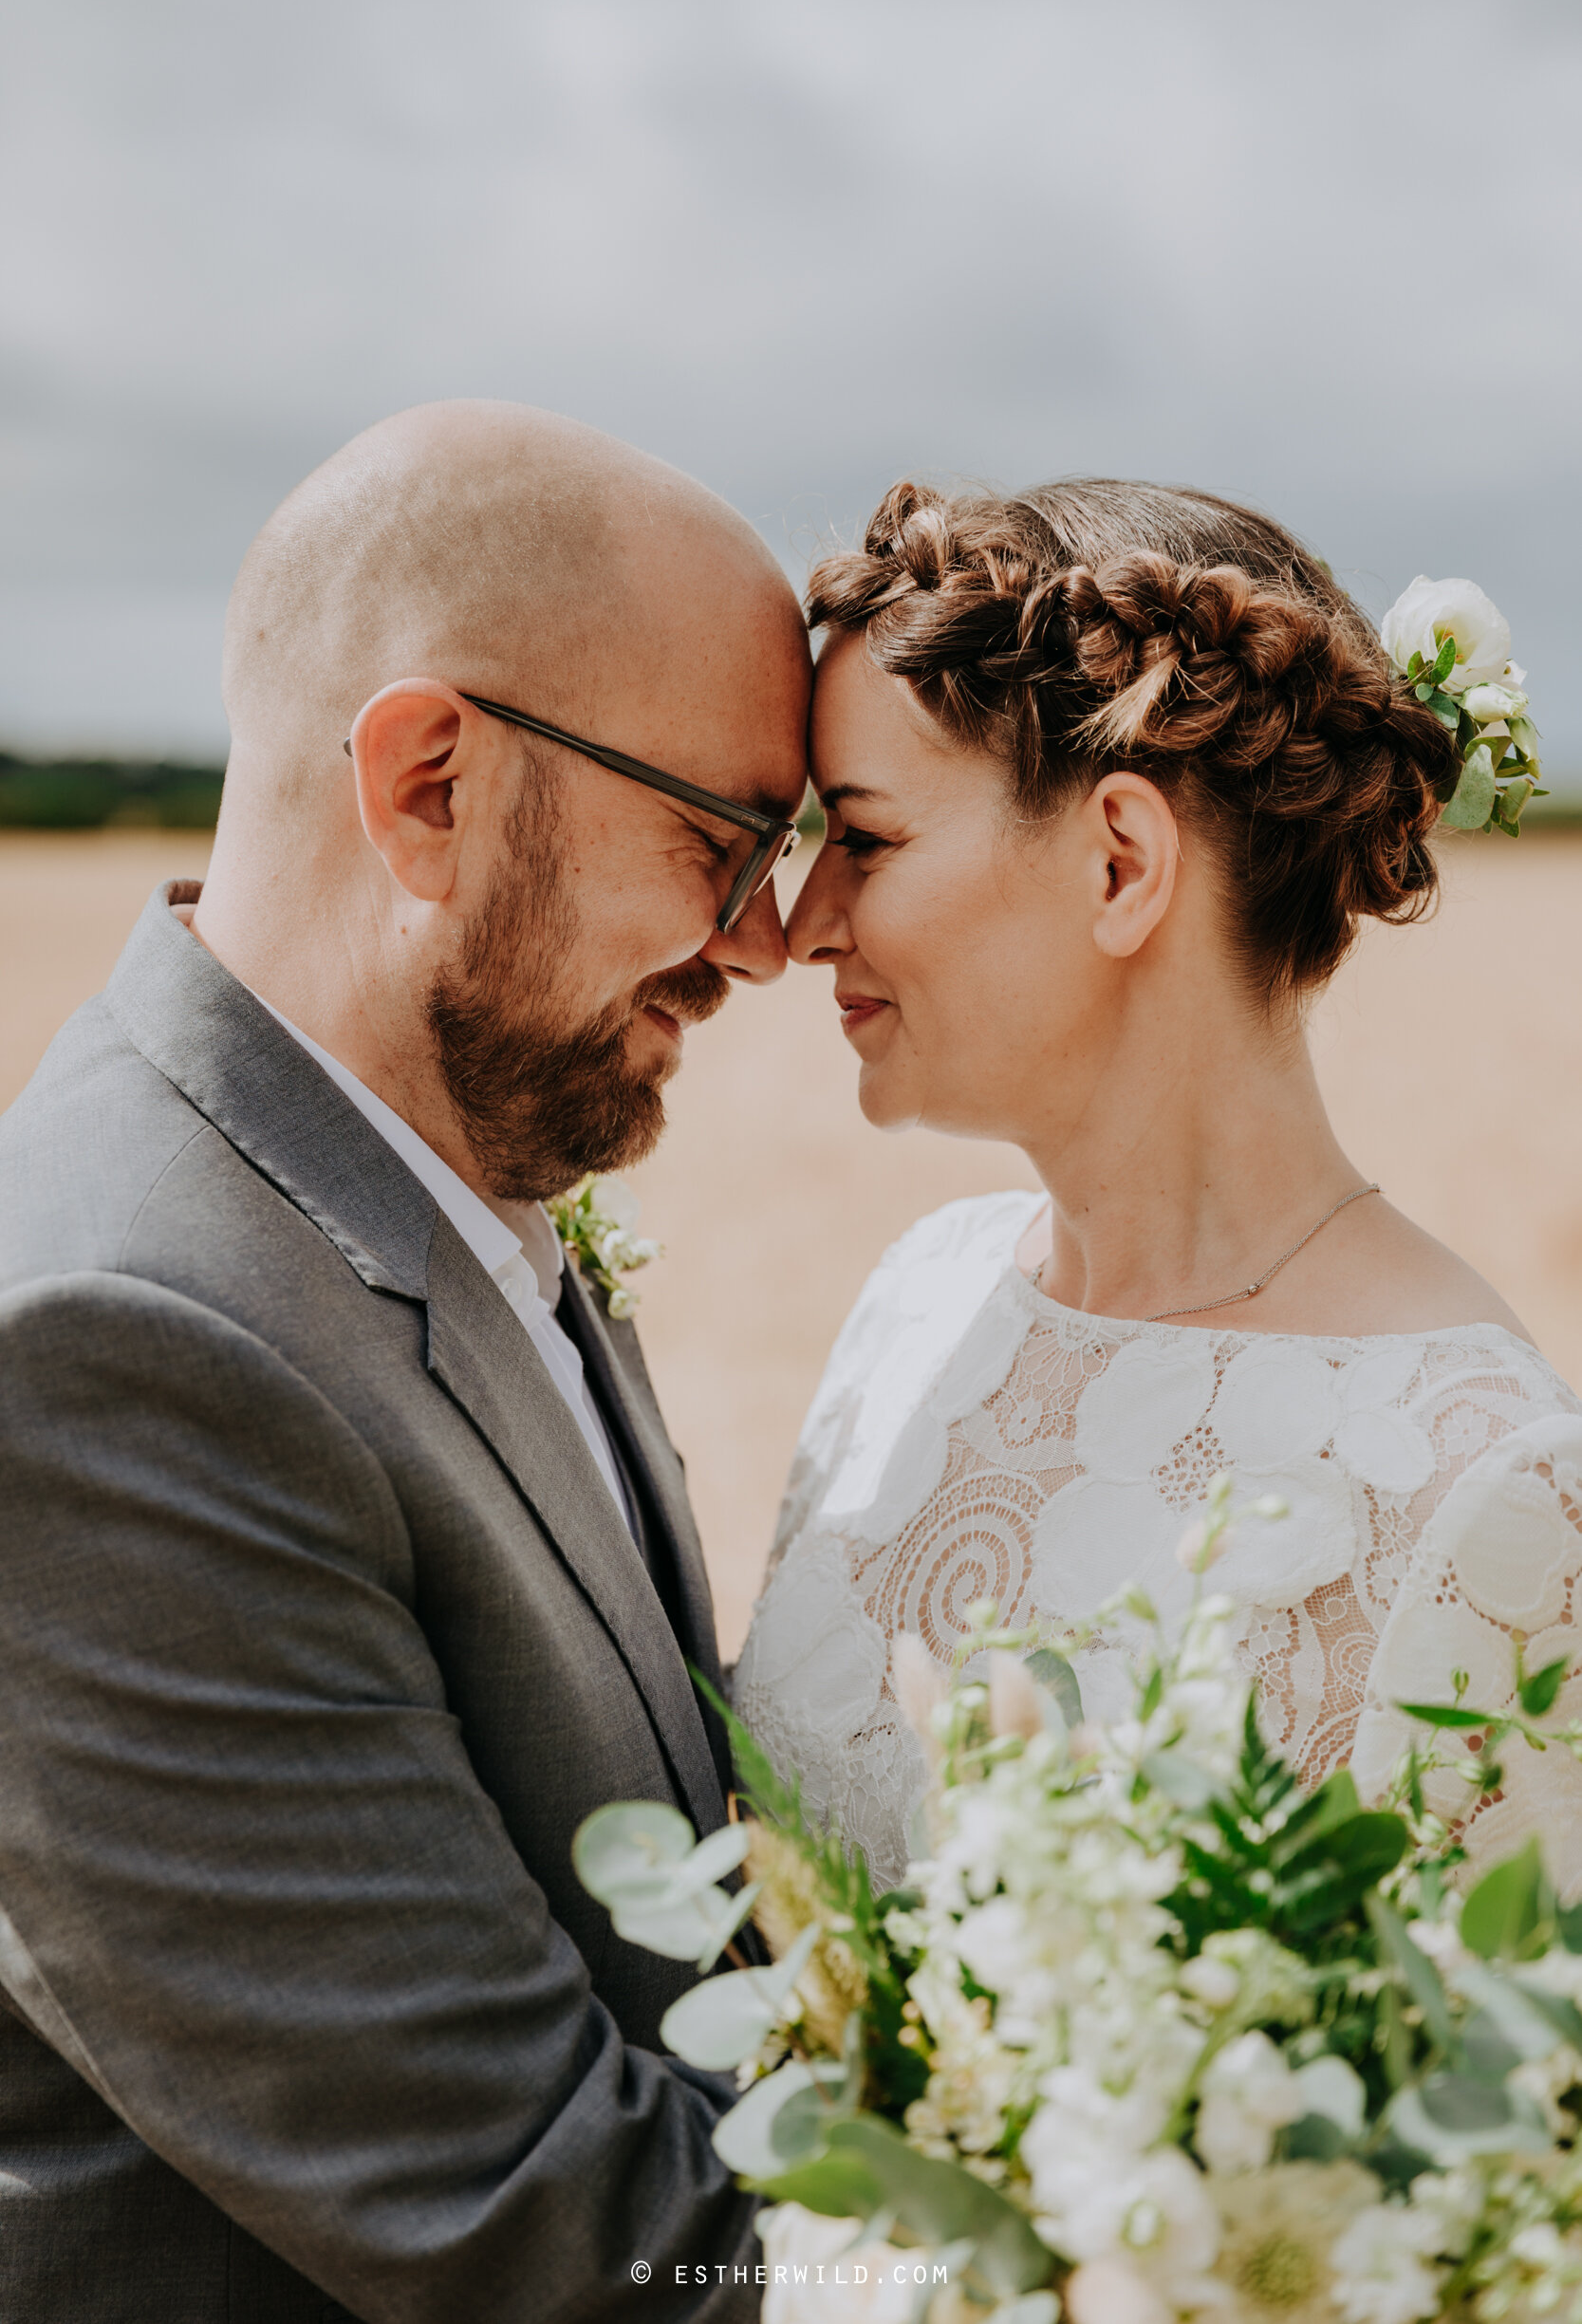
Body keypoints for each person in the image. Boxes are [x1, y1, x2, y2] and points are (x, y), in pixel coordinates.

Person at [0, 401, 809, 2321]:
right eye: (725, 836)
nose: (764, 942)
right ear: (429, 783)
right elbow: (530, 2207)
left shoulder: (432, 1153)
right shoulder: (114, 1351)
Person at [735, 476, 1582, 1900]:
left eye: (866, 839)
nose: (805, 922)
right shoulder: (918, 1296)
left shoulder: (1488, 1490)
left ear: (1122, 861)